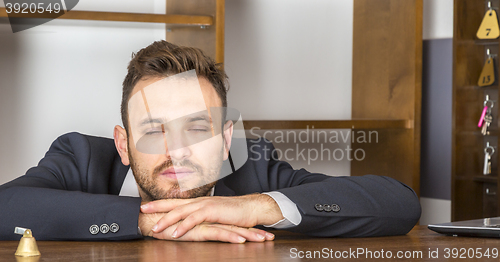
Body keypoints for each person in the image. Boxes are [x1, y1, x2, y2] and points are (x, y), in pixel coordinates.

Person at [0, 41, 421, 242]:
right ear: (123, 144)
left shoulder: (253, 166)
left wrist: (250, 206)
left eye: (197, 128)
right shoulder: (80, 157)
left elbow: (400, 203)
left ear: (226, 141)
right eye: (154, 129)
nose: (176, 149)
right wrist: (151, 221)